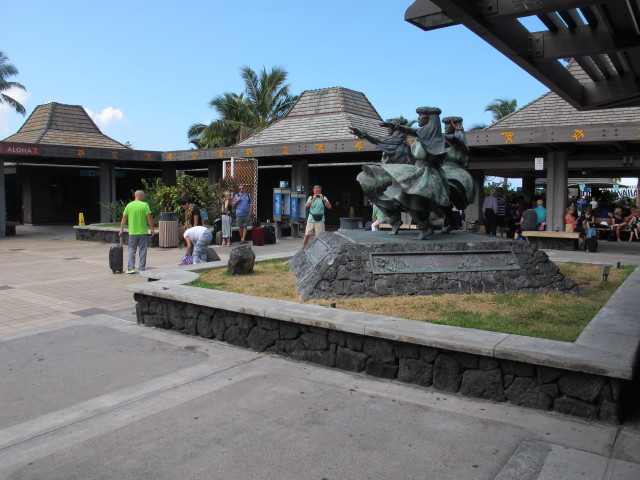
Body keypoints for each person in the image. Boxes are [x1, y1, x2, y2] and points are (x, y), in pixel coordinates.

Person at [119, 190, 155, 274]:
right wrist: (152, 229)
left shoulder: (129, 205)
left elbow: (124, 218)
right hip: (142, 232)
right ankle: (142, 268)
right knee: (143, 250)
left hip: (132, 232)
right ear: (141, 196)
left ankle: (131, 268)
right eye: (143, 195)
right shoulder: (145, 205)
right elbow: (149, 218)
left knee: (132, 249)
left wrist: (121, 229)